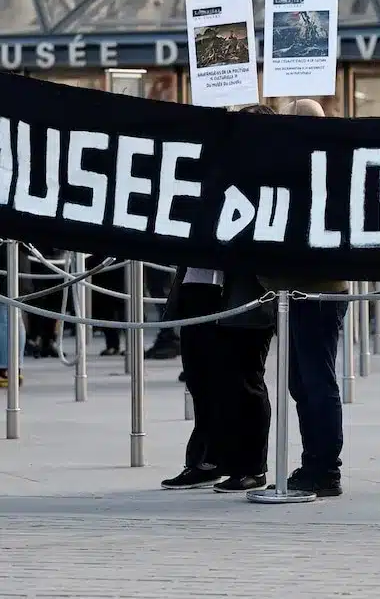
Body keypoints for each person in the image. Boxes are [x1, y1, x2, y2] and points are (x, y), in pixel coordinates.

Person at [161, 104, 279, 493]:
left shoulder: (268, 176)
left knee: (243, 380)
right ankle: (207, 458)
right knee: (201, 378)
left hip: (243, 293)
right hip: (199, 285)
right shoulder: (208, 169)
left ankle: (251, 465)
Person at [262, 98, 350, 499]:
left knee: (316, 380)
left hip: (318, 289)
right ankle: (314, 460)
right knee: (301, 380)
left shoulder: (326, 166)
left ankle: (325, 466)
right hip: (295, 288)